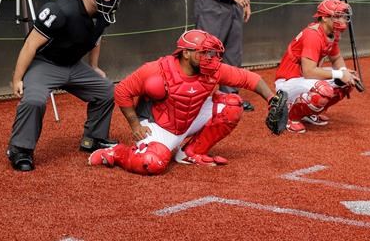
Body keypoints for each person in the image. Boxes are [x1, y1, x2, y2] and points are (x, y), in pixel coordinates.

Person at [88, 30, 279, 175]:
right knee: (151, 163)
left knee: (232, 106)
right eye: (203, 53)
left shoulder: (213, 69)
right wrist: (134, 124)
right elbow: (122, 91)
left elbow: (249, 78)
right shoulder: (156, 70)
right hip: (160, 124)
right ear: (186, 53)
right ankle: (117, 152)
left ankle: (192, 152)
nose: (210, 58)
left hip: (190, 118)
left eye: (211, 53)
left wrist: (271, 98)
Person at [6, 0, 122, 172]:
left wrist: (94, 66)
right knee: (34, 100)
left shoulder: (104, 11)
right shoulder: (60, 9)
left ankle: (93, 139)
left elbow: (96, 38)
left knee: (107, 91)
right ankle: (20, 149)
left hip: (73, 64)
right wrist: (17, 79)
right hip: (45, 63)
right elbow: (30, 44)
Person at [274, 0, 360, 134]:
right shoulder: (312, 35)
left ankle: (309, 112)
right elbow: (309, 72)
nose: (343, 20)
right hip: (288, 82)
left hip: (304, 79)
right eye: (338, 16)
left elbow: (336, 58)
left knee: (348, 81)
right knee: (323, 89)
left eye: (343, 16)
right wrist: (339, 74)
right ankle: (290, 116)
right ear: (325, 18)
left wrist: (344, 72)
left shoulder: (331, 33)